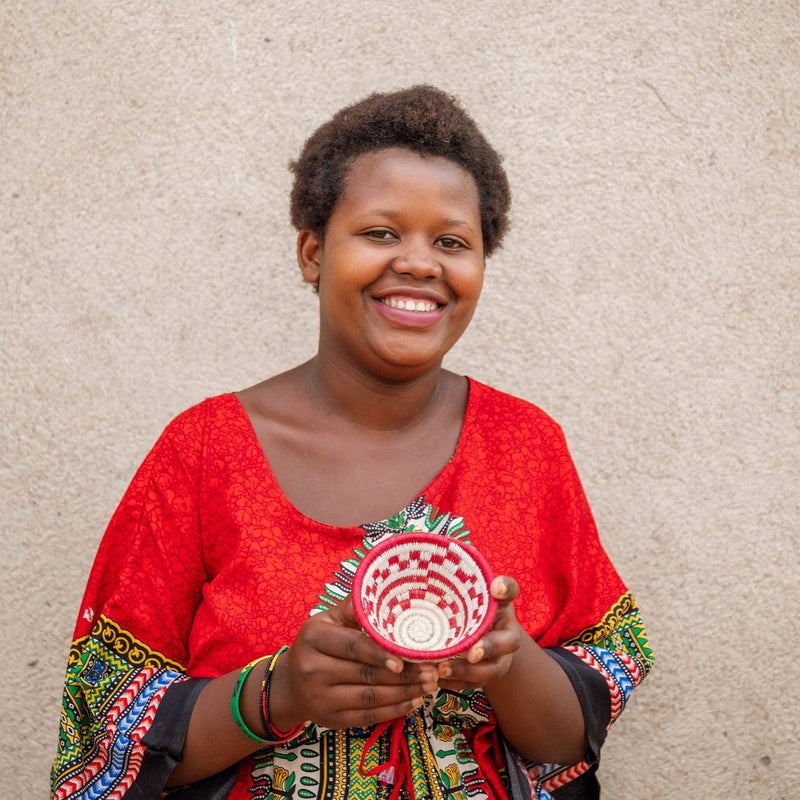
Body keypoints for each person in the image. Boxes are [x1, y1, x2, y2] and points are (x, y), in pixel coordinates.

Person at [51, 85, 653, 800]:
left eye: (453, 241)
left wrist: (508, 659)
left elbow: (569, 740)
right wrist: (276, 696)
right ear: (312, 252)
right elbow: (106, 739)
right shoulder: (205, 451)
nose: (421, 263)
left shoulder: (527, 447)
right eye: (380, 232)